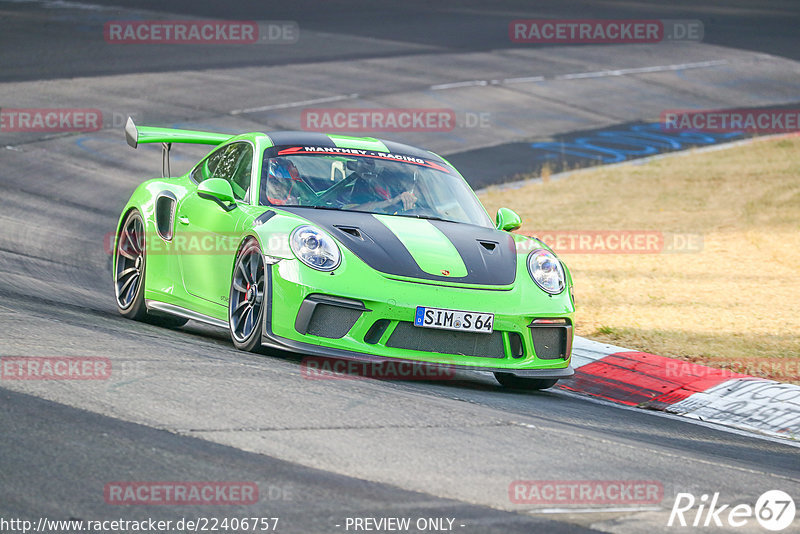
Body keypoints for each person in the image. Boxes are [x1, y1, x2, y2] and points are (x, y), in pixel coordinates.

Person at [345, 158, 417, 212]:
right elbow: (353, 210)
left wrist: (409, 203)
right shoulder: (365, 185)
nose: (402, 183)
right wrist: (391, 202)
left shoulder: (414, 195)